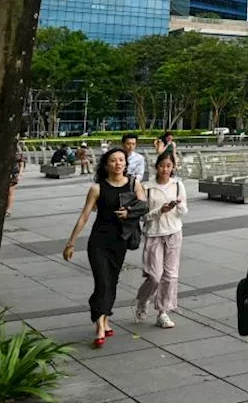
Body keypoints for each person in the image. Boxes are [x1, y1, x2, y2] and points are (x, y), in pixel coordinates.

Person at [63, 147, 147, 348]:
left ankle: (105, 318)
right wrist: (71, 243)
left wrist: (129, 213)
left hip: (120, 242)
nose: (118, 164)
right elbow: (84, 215)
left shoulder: (134, 185)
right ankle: (100, 325)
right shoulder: (97, 188)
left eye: (121, 160)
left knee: (112, 281)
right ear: (106, 165)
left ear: (125, 164)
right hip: (98, 242)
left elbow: (143, 206)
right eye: (113, 160)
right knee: (102, 282)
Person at [136, 150, 186, 329]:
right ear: (156, 167)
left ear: (173, 167)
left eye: (169, 166)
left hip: (173, 233)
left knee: (170, 276)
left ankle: (163, 312)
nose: (165, 169)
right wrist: (160, 211)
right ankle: (142, 300)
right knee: (154, 276)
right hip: (154, 234)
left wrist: (178, 206)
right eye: (162, 166)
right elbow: (142, 216)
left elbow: (184, 212)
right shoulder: (146, 187)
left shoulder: (178, 185)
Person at [6, 140, 26, 216]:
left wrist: (20, 174)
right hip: (5, 173)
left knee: (10, 192)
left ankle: (9, 210)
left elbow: (21, 162)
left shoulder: (17, 149)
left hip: (13, 173)